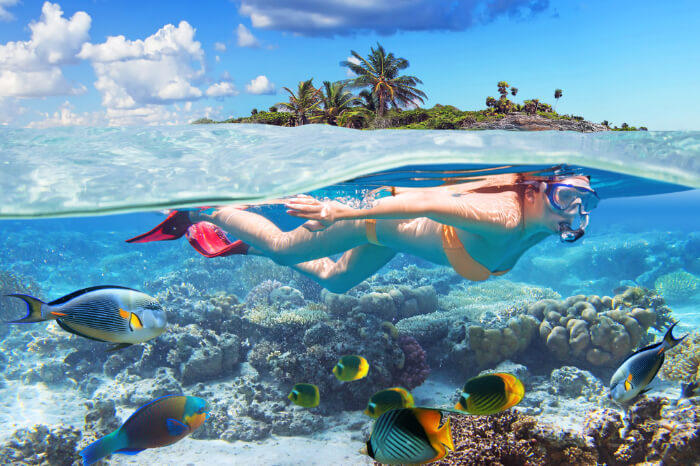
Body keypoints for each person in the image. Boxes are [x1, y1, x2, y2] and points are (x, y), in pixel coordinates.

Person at [127, 174, 598, 293]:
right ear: (536, 190)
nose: (573, 211)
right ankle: (202, 210)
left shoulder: (546, 223)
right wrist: (337, 212)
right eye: (564, 197)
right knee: (288, 250)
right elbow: (426, 203)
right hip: (379, 221)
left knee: (336, 282)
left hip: (390, 235)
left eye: (583, 202)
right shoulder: (506, 217)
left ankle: (243, 245)